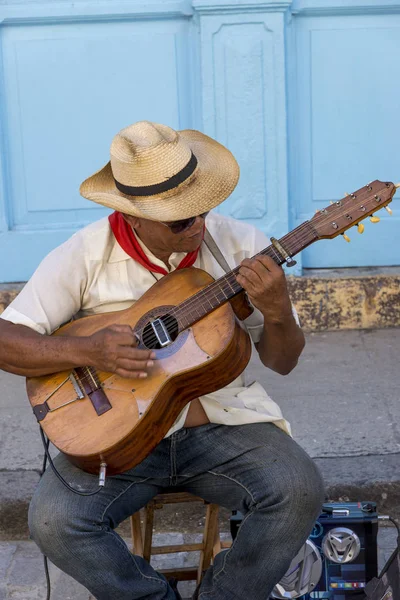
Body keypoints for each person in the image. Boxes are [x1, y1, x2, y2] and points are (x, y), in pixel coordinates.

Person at [0, 121, 324, 600]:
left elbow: (283, 362)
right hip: (117, 439)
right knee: (54, 521)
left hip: (222, 426)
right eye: (179, 221)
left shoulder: (242, 246)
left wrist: (277, 312)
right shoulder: (85, 253)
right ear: (133, 216)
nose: (197, 227)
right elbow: (8, 338)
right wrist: (89, 349)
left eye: (202, 211)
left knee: (299, 491)